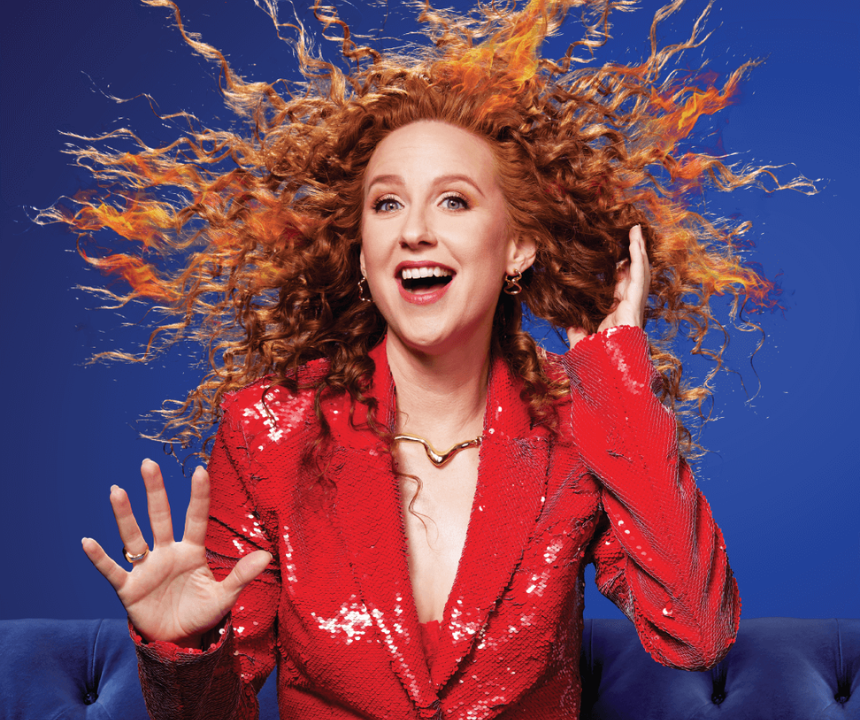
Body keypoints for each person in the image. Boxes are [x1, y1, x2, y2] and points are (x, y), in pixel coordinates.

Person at [62, 0, 806, 717]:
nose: (414, 229)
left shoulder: (581, 421)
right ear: (364, 254)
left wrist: (618, 379)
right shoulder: (268, 428)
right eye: (387, 204)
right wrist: (184, 647)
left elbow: (695, 634)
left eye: (454, 201)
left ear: (517, 247)